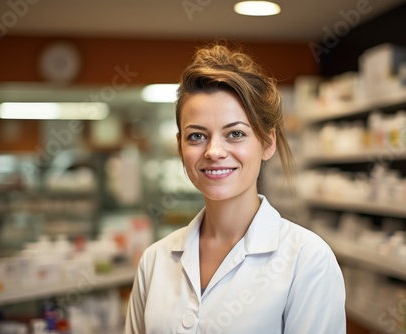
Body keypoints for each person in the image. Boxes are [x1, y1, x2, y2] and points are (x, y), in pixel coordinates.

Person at [125, 42, 346, 334]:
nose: (214, 151)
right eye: (196, 136)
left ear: (268, 143)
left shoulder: (307, 260)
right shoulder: (154, 261)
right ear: (180, 146)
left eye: (235, 133)